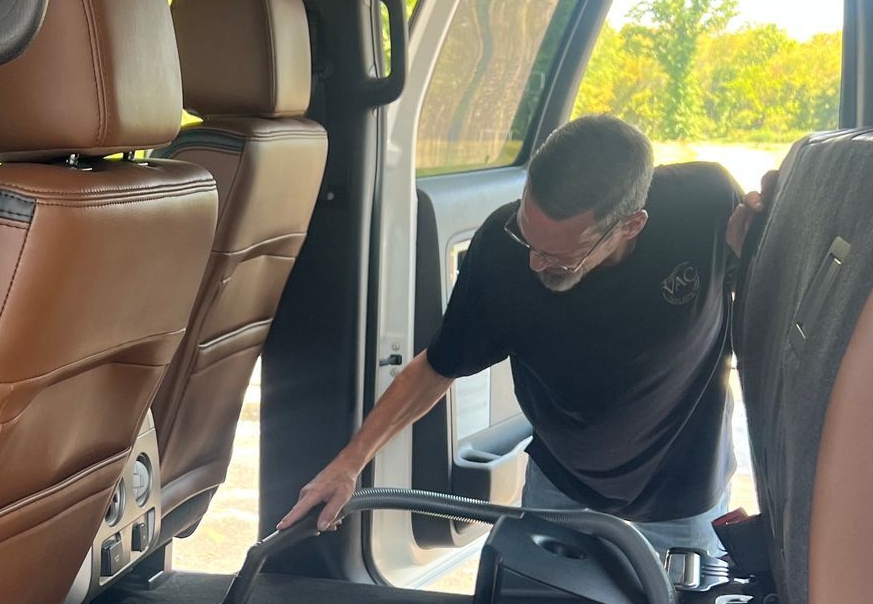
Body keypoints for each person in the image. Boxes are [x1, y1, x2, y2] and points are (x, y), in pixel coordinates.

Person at [280, 114, 744, 557]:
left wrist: (758, 237)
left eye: (560, 257)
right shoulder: (502, 249)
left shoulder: (705, 205)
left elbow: (772, 287)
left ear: (630, 225)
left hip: (683, 495)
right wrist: (349, 464)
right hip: (559, 485)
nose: (535, 264)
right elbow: (439, 366)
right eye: (529, 237)